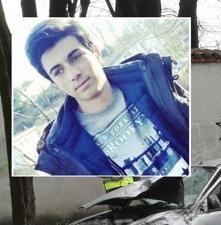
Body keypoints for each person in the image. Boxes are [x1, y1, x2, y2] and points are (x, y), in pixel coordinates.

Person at [26, 20, 189, 176]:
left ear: (96, 52)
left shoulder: (153, 81)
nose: (73, 74)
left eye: (75, 57)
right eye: (58, 71)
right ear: (54, 83)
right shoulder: (62, 151)